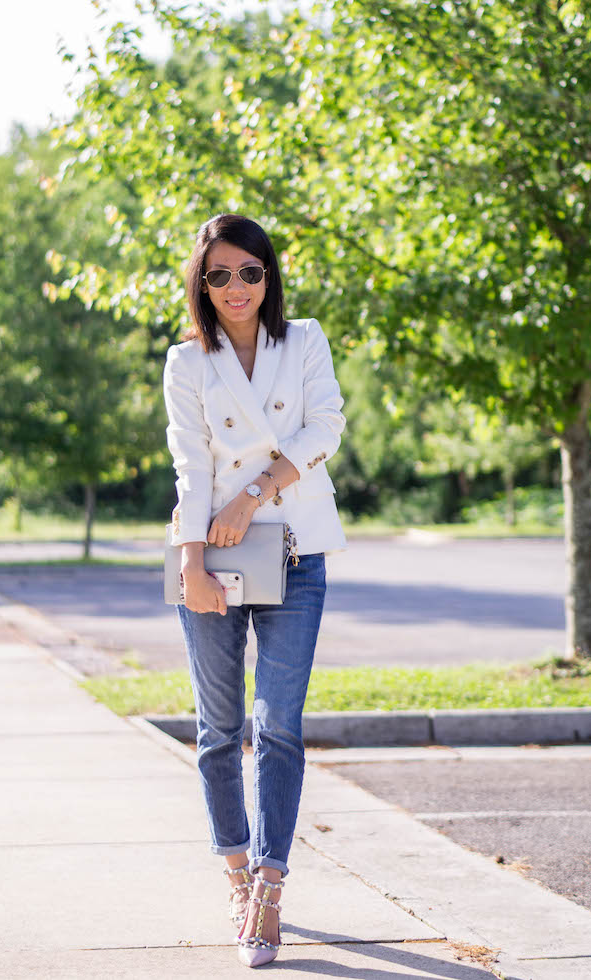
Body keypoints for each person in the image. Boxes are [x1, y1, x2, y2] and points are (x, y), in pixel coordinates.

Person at [163, 213, 346, 967]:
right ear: (201, 285)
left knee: (277, 726)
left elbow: (325, 426)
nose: (234, 286)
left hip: (294, 550)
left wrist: (252, 497)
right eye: (218, 274)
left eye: (248, 271)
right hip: (213, 556)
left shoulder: (302, 341)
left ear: (268, 277)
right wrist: (191, 560)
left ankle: (271, 888)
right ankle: (235, 873)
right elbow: (189, 466)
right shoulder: (185, 361)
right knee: (217, 729)